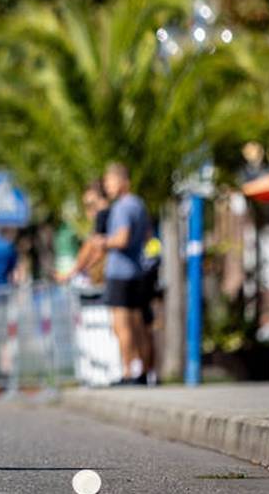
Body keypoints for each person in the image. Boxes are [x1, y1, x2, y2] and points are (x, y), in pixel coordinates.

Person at [99, 163, 151, 385]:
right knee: (139, 325)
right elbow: (148, 236)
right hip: (137, 271)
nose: (107, 186)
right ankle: (145, 371)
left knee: (122, 326)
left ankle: (129, 372)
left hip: (120, 272)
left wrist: (103, 242)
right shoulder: (139, 204)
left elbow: (122, 239)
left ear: (122, 181)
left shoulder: (121, 207)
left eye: (109, 181)